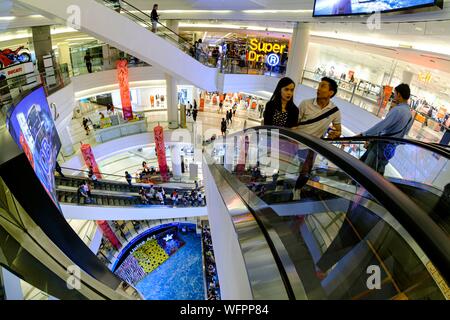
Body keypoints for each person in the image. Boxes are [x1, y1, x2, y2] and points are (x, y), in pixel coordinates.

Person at [292, 77, 342, 199]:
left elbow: (338, 129)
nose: (318, 89)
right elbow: (294, 123)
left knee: (305, 171)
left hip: (311, 147)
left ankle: (296, 190)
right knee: (285, 165)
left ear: (331, 92)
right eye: (319, 86)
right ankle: (280, 184)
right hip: (295, 142)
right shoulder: (305, 103)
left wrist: (335, 134)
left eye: (323, 86)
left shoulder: (334, 111)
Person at [357, 83, 413, 175]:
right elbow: (403, 134)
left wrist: (364, 135)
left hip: (380, 147)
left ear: (399, 95)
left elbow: (382, 126)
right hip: (390, 149)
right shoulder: (409, 115)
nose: (393, 96)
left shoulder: (398, 110)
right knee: (378, 171)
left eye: (394, 94)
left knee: (367, 172)